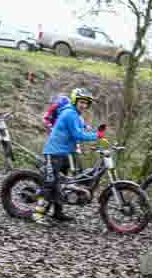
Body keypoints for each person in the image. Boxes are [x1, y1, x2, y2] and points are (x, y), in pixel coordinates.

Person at [33, 88, 106, 224]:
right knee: (51, 183)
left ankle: (57, 212)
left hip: (65, 153)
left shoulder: (77, 115)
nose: (84, 105)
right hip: (54, 152)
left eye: (86, 103)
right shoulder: (70, 114)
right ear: (75, 101)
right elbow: (77, 135)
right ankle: (38, 214)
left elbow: (82, 127)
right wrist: (97, 135)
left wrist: (93, 132)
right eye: (81, 102)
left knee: (62, 184)